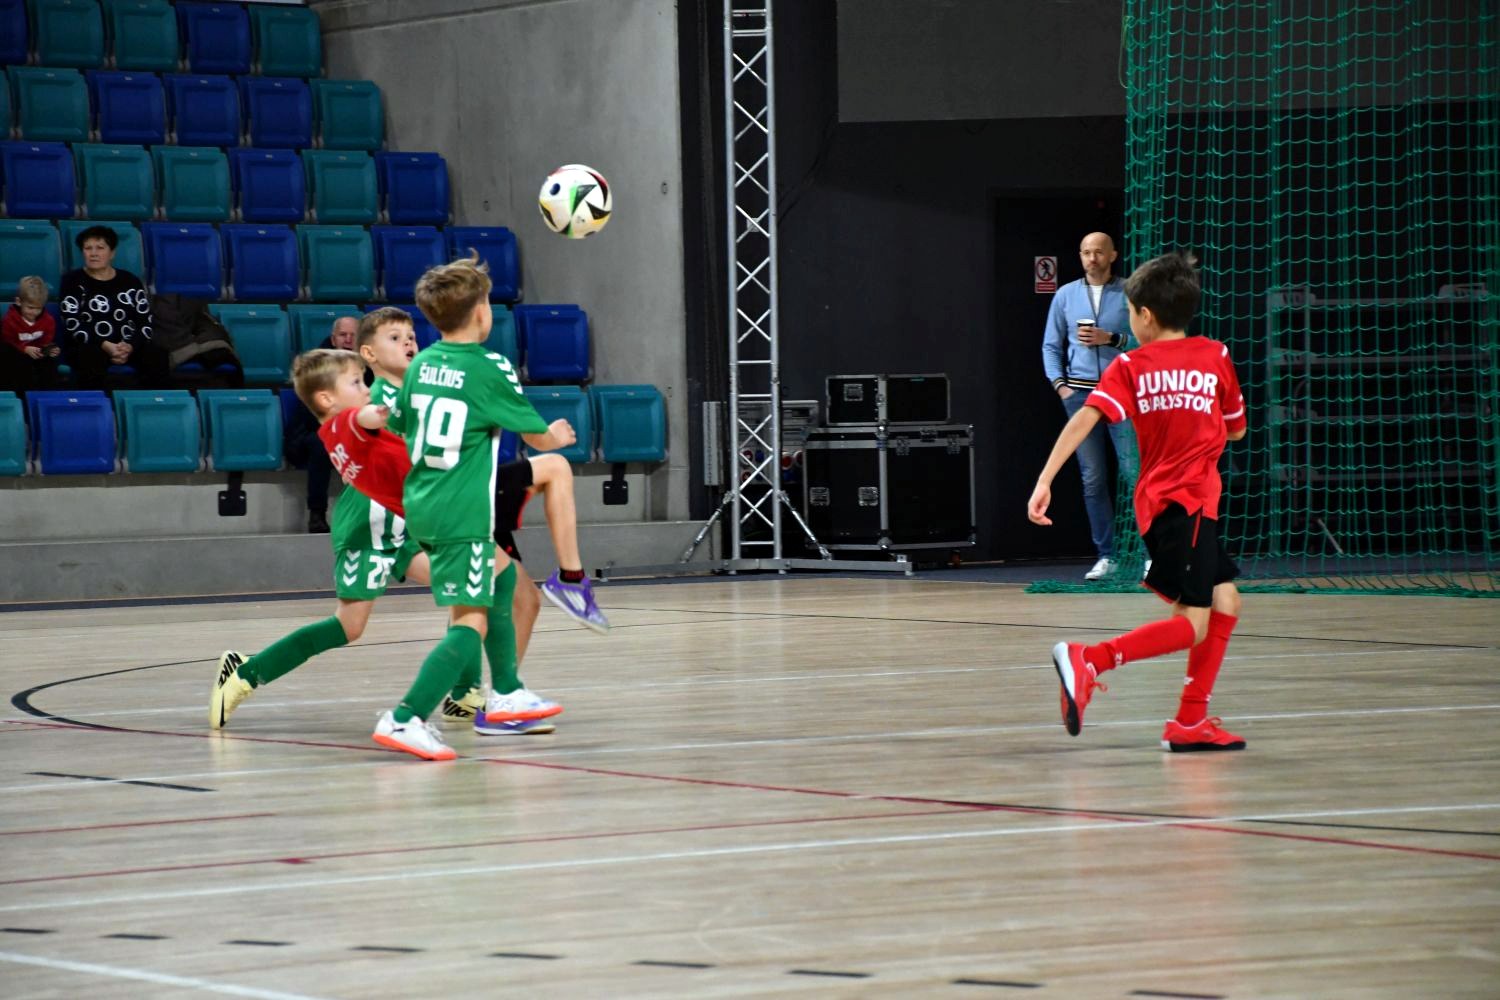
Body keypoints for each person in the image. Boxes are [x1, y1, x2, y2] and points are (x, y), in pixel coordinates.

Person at [1027, 251, 1248, 752]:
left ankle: (1190, 721)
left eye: (1128, 312)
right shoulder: (1215, 355)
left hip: (1172, 509)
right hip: (1185, 505)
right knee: (1193, 624)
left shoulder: (1130, 365)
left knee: (1225, 600)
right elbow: (1237, 429)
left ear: (1144, 315)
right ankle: (1091, 659)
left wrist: (1044, 480)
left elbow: (1085, 418)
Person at [350, 307, 608, 732]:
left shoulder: (428, 374)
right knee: (554, 468)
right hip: (446, 504)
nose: (408, 342)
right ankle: (566, 586)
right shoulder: (385, 398)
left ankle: (489, 695)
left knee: (516, 599)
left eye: (410, 334)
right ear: (369, 354)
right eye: (394, 338)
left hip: (463, 497)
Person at [1041, 231, 1138, 580]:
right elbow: (1051, 345)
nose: (1091, 258)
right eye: (1085, 252)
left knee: (1135, 474)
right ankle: (1107, 556)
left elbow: (1147, 341)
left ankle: (1150, 555)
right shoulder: (1066, 295)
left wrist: (1112, 339)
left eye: (1098, 252)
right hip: (1081, 397)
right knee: (1093, 479)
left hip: (1122, 394)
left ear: (1112, 255)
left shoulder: (1130, 292)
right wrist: (1060, 386)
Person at [58, 225, 169, 390]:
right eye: (88, 248)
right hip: (90, 344)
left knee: (157, 356)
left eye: (100, 248)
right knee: (89, 357)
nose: (93, 253)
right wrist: (104, 344)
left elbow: (145, 321)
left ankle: (153, 403)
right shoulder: (72, 281)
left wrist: (130, 345)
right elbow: (71, 322)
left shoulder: (130, 281)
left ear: (112, 253)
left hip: (127, 345)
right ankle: (96, 405)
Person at [284, 315, 361, 532]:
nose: (348, 340)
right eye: (343, 335)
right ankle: (316, 514)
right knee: (322, 444)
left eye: (353, 335)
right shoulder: (316, 368)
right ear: (333, 339)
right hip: (309, 433)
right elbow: (314, 415)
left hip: (349, 431)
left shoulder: (367, 369)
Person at [1, 276, 63, 393]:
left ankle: (47, 397)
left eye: (38, 308)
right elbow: (8, 341)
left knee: (49, 364)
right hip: (16, 355)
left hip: (38, 355)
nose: (34, 312)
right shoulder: (9, 320)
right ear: (19, 302)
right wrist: (24, 349)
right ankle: (20, 397)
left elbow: (46, 341)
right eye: (30, 308)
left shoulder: (48, 320)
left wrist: (50, 349)